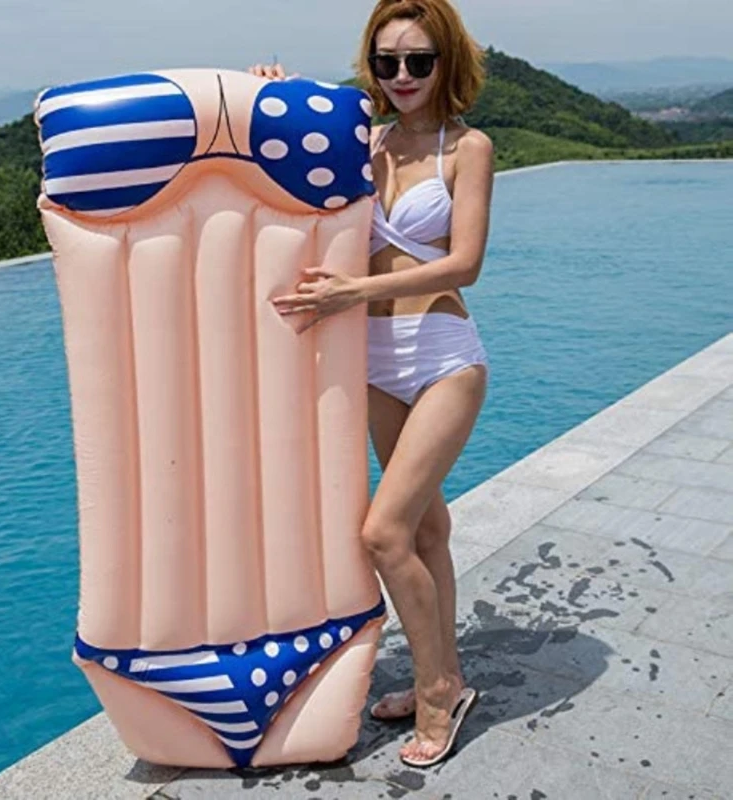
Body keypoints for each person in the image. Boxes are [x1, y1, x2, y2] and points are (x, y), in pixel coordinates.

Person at [250, 0, 493, 769]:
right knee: (426, 531)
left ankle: (437, 689)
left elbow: (465, 264)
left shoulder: (469, 148)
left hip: (443, 355)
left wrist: (352, 291)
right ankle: (445, 675)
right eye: (387, 61)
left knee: (383, 533)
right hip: (377, 358)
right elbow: (293, 146)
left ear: (446, 62)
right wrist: (273, 94)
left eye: (418, 60)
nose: (402, 75)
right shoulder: (366, 139)